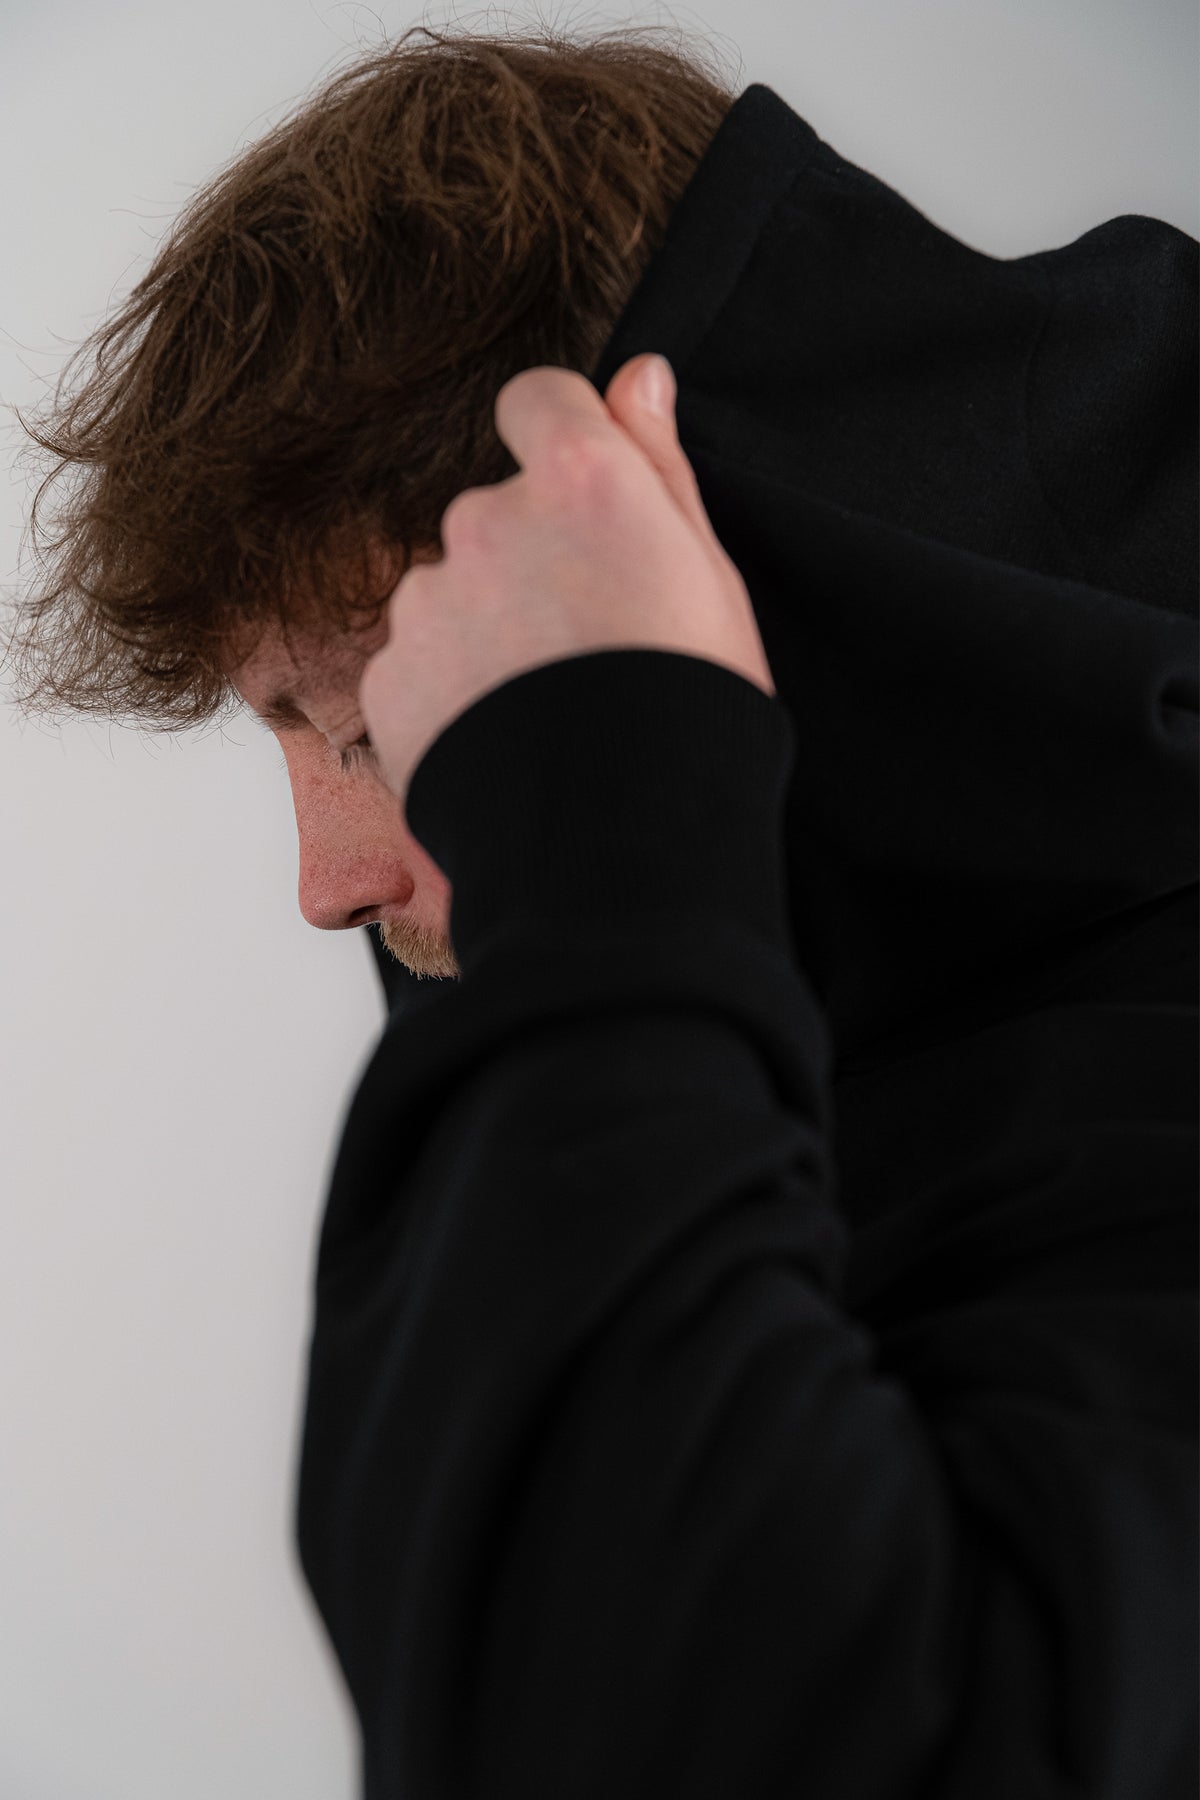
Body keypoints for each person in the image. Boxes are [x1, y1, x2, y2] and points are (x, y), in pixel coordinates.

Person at [4, 24, 1196, 1800]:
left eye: (382, 725)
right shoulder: (773, 1061)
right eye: (298, 738)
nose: (328, 881)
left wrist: (605, 785)